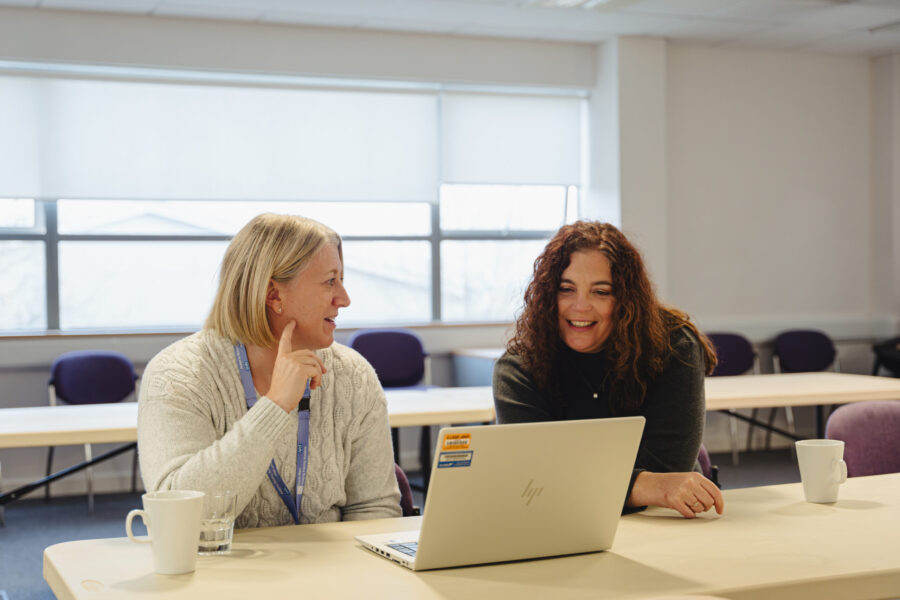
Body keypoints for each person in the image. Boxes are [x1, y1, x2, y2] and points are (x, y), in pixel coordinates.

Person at [138, 213, 401, 528]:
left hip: (331, 572)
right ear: (274, 294)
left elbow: (375, 508)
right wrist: (275, 406)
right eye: (330, 281)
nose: (344, 299)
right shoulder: (177, 375)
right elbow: (177, 518)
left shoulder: (352, 375)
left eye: (342, 280)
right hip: (218, 574)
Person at [493, 221, 724, 518]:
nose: (581, 306)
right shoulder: (518, 369)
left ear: (626, 300)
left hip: (662, 518)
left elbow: (668, 469)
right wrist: (647, 484)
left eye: (601, 292)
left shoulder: (673, 346)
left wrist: (575, 479)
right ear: (547, 295)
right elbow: (533, 479)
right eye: (566, 289)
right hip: (561, 521)